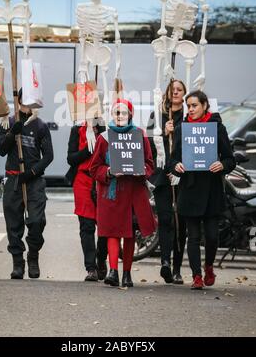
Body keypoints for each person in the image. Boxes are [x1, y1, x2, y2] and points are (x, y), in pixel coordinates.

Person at [169, 90, 236, 289]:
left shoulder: (216, 127)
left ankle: (208, 267)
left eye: (194, 105)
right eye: (188, 106)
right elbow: (173, 159)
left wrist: (222, 165)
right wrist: (176, 167)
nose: (190, 109)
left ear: (205, 105)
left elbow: (229, 158)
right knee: (193, 235)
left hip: (212, 191)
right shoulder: (182, 128)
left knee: (212, 235)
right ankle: (197, 276)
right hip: (189, 190)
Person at [90, 99, 156, 287]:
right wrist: (109, 172)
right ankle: (113, 271)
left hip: (134, 192)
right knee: (112, 232)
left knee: (129, 233)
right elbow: (94, 168)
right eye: (117, 113)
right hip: (112, 192)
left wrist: (142, 169)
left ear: (130, 115)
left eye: (124, 113)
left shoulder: (140, 135)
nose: (120, 116)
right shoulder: (104, 138)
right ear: (112, 115)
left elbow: (150, 163)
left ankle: (126, 273)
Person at [0, 88, 54, 279]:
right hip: (13, 179)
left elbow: (48, 156)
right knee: (13, 223)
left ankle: (33, 255)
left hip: (34, 181)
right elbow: (1, 150)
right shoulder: (8, 122)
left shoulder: (40, 126)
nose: (29, 103)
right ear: (19, 100)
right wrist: (12, 134)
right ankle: (17, 262)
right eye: (26, 99)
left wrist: (31, 173)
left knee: (37, 221)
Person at [147, 80, 187, 284]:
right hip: (163, 176)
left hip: (184, 176)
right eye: (173, 90)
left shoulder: (190, 116)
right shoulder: (158, 115)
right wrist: (162, 133)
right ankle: (165, 263)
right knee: (165, 219)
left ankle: (178, 267)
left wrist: (177, 132)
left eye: (180, 90)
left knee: (181, 222)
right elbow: (149, 146)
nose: (176, 92)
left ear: (185, 93)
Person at [66, 118, 108, 282]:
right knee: (87, 226)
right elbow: (70, 158)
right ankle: (91, 268)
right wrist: (88, 151)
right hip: (83, 180)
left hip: (102, 180)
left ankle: (101, 259)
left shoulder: (104, 126)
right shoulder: (77, 128)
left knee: (104, 225)